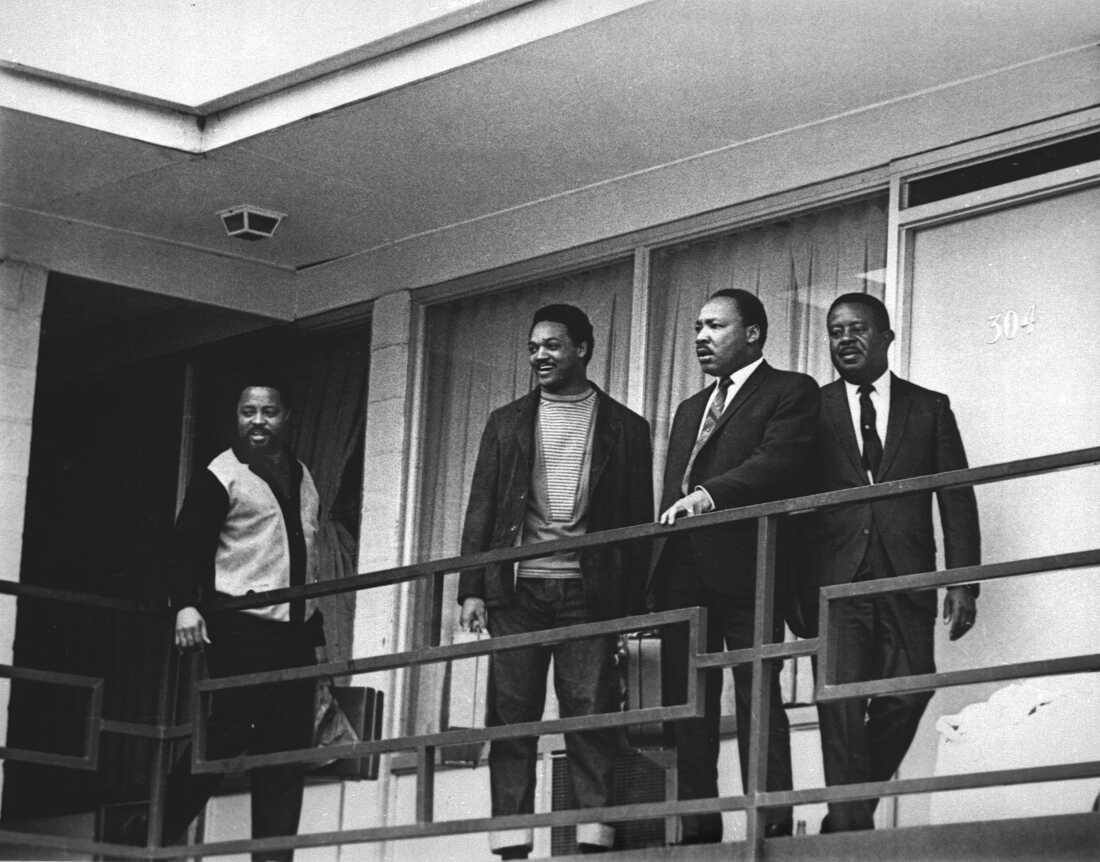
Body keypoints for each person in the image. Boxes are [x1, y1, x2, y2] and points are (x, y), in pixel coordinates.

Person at [457, 304, 653, 859]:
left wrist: (633, 607)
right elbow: (482, 508)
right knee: (510, 718)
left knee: (590, 716)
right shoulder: (505, 421)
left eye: (552, 346)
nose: (540, 355)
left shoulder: (626, 427)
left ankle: (594, 839)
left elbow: (637, 522)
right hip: (517, 594)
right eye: (533, 346)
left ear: (583, 349)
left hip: (590, 596)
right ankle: (511, 844)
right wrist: (472, 587)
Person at [651, 288, 819, 844]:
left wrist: (706, 497)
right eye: (697, 326)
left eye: (715, 326)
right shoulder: (687, 409)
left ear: (752, 333)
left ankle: (768, 828)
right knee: (689, 709)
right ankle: (698, 830)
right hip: (684, 575)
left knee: (757, 699)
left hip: (753, 569)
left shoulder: (790, 391)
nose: (701, 337)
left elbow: (778, 464)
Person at [814, 292, 980, 833]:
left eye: (857, 329)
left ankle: (846, 817)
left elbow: (955, 494)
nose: (845, 340)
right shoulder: (812, 408)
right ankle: (849, 829)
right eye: (836, 331)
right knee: (839, 704)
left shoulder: (928, 406)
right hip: (837, 581)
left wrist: (963, 582)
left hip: (907, 575)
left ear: (886, 337)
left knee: (910, 688)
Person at [162, 376, 323, 862]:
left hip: (294, 632)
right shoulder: (221, 473)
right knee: (228, 733)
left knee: (287, 750)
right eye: (248, 411)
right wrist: (187, 604)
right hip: (242, 625)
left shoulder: (302, 473)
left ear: (286, 416)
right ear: (236, 416)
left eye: (269, 411)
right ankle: (154, 833)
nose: (258, 421)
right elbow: (185, 546)